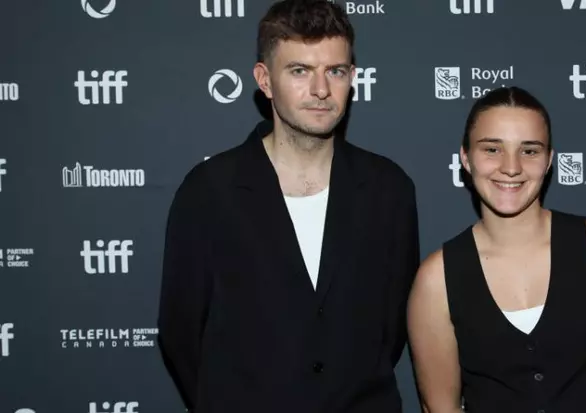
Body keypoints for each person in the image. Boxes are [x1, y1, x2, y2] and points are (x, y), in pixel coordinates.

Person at [156, 1, 419, 412]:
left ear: (352, 77)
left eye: (335, 71)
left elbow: (392, 329)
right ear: (265, 80)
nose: (320, 90)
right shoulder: (209, 192)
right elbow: (181, 332)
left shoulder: (389, 190)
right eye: (299, 71)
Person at [406, 86, 586, 413]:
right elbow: (440, 407)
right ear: (465, 158)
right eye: (492, 149)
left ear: (549, 161)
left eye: (529, 150)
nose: (511, 167)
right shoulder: (437, 279)